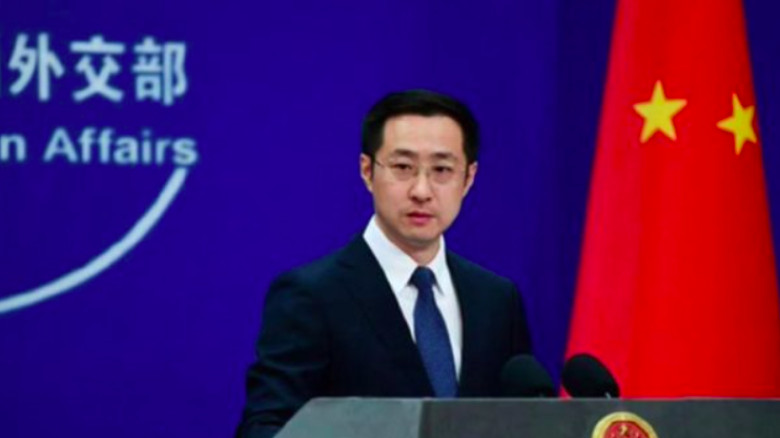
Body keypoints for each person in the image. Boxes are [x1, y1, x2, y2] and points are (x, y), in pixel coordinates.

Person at [236, 90, 531, 438]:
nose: (421, 190)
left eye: (442, 170)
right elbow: (265, 428)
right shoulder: (311, 296)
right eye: (403, 167)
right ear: (367, 171)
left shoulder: (496, 299)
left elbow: (522, 422)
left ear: (468, 178)